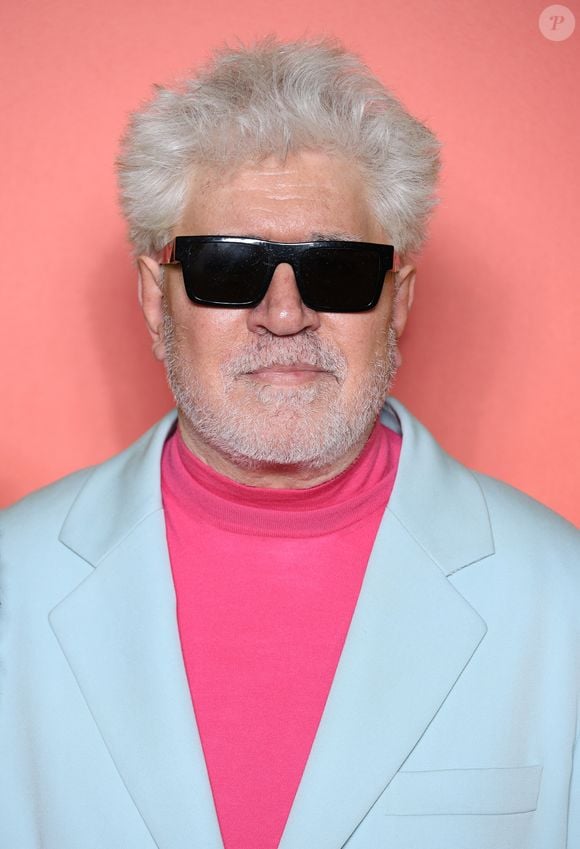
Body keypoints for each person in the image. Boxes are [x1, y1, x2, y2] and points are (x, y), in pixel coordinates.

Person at [1, 37, 578, 849]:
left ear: (398, 300)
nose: (283, 314)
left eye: (335, 272)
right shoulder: (12, 583)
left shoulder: (560, 595)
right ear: (155, 299)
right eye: (230, 268)